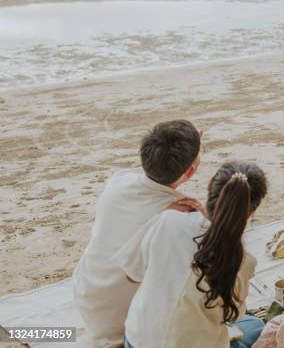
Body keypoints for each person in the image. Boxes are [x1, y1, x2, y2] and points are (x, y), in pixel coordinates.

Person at [72, 119, 203, 347]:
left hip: (87, 293)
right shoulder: (180, 212)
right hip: (123, 320)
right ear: (190, 171)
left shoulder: (119, 181)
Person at [112, 162, 268, 348]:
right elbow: (233, 316)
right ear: (250, 213)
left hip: (136, 341)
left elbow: (132, 274)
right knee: (255, 326)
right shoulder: (242, 260)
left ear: (209, 185)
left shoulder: (168, 220)